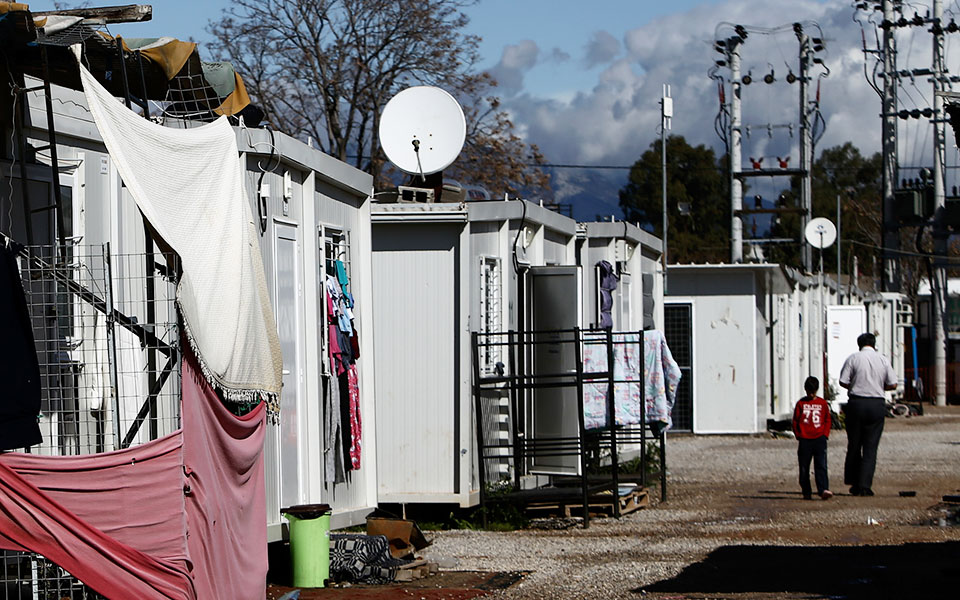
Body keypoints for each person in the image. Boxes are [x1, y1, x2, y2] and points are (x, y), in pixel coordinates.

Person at [838, 332, 897, 497]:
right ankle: (865, 485)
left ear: (859, 344)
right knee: (871, 447)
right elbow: (893, 383)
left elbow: (843, 381)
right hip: (876, 404)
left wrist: (857, 384)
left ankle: (854, 483)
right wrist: (878, 386)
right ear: (874, 344)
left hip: (856, 403)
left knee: (854, 444)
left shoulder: (853, 358)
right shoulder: (883, 359)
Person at [792, 376, 832, 500]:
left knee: (821, 465)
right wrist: (798, 435)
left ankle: (823, 489)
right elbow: (795, 421)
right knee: (804, 467)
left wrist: (825, 434)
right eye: (809, 392)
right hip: (805, 439)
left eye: (813, 392)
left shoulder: (822, 403)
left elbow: (827, 419)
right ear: (805, 390)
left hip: (819, 438)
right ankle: (806, 490)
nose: (811, 394)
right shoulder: (801, 403)